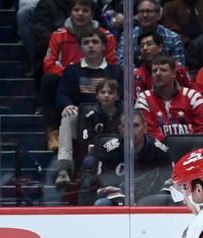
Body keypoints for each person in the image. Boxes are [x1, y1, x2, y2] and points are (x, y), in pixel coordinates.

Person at [42, 1, 118, 150]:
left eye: (85, 10)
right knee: (48, 80)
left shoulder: (107, 36)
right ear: (71, 12)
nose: (80, 14)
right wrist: (73, 74)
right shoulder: (58, 35)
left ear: (92, 13)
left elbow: (111, 64)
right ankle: (53, 131)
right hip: (69, 80)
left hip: (97, 79)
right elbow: (48, 64)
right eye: (76, 10)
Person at [56, 78, 122, 187]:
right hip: (97, 153)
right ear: (97, 96)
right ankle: (65, 169)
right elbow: (85, 141)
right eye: (102, 92)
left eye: (110, 93)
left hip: (118, 153)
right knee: (89, 161)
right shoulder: (89, 115)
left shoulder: (125, 113)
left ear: (117, 96)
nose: (106, 95)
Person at [134, 55, 203, 141]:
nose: (158, 73)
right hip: (158, 152)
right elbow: (147, 133)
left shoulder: (193, 96)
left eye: (163, 70)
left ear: (173, 74)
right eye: (154, 71)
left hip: (192, 150)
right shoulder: (144, 98)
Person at [118, 0, 185, 68]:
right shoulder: (128, 36)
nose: (145, 15)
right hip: (136, 76)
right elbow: (121, 61)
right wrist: (140, 75)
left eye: (149, 11)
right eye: (141, 11)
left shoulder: (173, 37)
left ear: (159, 15)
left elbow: (179, 66)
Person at [133, 31, 194, 95]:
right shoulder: (138, 76)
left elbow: (192, 91)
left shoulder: (177, 68)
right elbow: (139, 102)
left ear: (160, 47)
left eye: (149, 44)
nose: (145, 48)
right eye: (141, 46)